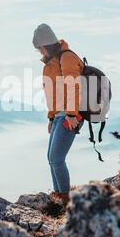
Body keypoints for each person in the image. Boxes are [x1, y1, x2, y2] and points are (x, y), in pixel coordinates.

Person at [32, 23, 84, 206]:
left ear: (46, 44)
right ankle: (58, 196)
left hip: (71, 115)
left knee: (56, 158)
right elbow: (52, 94)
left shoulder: (67, 58)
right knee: (51, 158)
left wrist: (71, 114)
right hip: (60, 116)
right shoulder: (50, 65)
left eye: (40, 48)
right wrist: (51, 117)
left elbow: (73, 87)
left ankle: (65, 200)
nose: (39, 52)